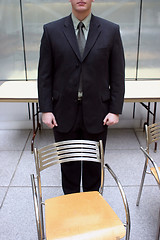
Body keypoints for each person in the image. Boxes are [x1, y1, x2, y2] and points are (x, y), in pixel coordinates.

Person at [38, 0, 125, 194]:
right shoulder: (51, 30)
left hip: (98, 111)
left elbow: (117, 74)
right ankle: (71, 207)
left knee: (94, 166)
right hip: (62, 111)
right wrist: (46, 109)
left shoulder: (110, 30)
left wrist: (115, 109)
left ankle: (92, 209)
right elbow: (45, 75)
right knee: (68, 165)